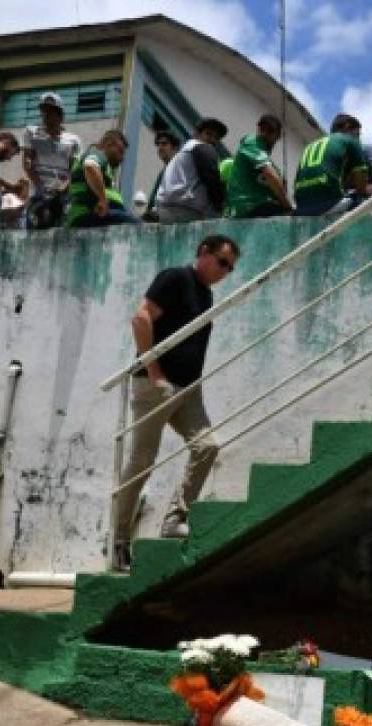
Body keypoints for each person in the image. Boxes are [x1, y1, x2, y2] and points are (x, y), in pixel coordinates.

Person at [112, 234, 240, 569]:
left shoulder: (206, 294)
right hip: (156, 385)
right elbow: (141, 318)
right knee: (142, 461)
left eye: (230, 268)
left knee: (207, 446)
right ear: (203, 252)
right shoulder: (175, 277)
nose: (225, 271)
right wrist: (153, 369)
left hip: (188, 389)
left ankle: (175, 518)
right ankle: (119, 541)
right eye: (222, 262)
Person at [22, 92, 82, 230]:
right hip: (38, 195)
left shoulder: (73, 140)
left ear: (60, 115)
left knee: (59, 234)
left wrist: (64, 186)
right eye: (43, 110)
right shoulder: (31, 132)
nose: (45, 114)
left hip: (62, 197)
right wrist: (40, 186)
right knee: (33, 235)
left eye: (50, 111)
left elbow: (76, 169)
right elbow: (27, 163)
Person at [154, 119, 229, 224]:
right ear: (196, 134)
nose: (212, 139)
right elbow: (212, 180)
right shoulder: (200, 147)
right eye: (208, 134)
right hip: (183, 214)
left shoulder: (182, 154)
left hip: (164, 211)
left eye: (216, 138)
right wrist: (221, 205)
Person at [294, 113, 369, 217]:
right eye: (357, 134)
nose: (358, 138)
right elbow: (361, 187)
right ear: (347, 127)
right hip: (329, 204)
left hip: (301, 208)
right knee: (365, 200)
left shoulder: (310, 145)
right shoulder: (351, 140)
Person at [67, 129, 138, 228]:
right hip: (89, 214)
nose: (122, 158)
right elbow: (90, 166)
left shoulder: (101, 164)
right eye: (120, 151)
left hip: (92, 216)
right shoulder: (98, 153)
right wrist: (103, 200)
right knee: (138, 228)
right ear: (108, 144)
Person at [226, 114, 293, 218]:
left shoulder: (271, 165)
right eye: (261, 129)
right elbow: (270, 175)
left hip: (257, 206)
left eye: (270, 131)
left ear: (278, 136)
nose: (264, 134)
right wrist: (287, 205)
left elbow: (272, 178)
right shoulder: (251, 142)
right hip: (247, 205)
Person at [142, 129, 180, 221]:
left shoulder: (180, 168)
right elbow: (153, 199)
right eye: (158, 144)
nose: (160, 147)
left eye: (164, 144)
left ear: (175, 148)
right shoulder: (164, 172)